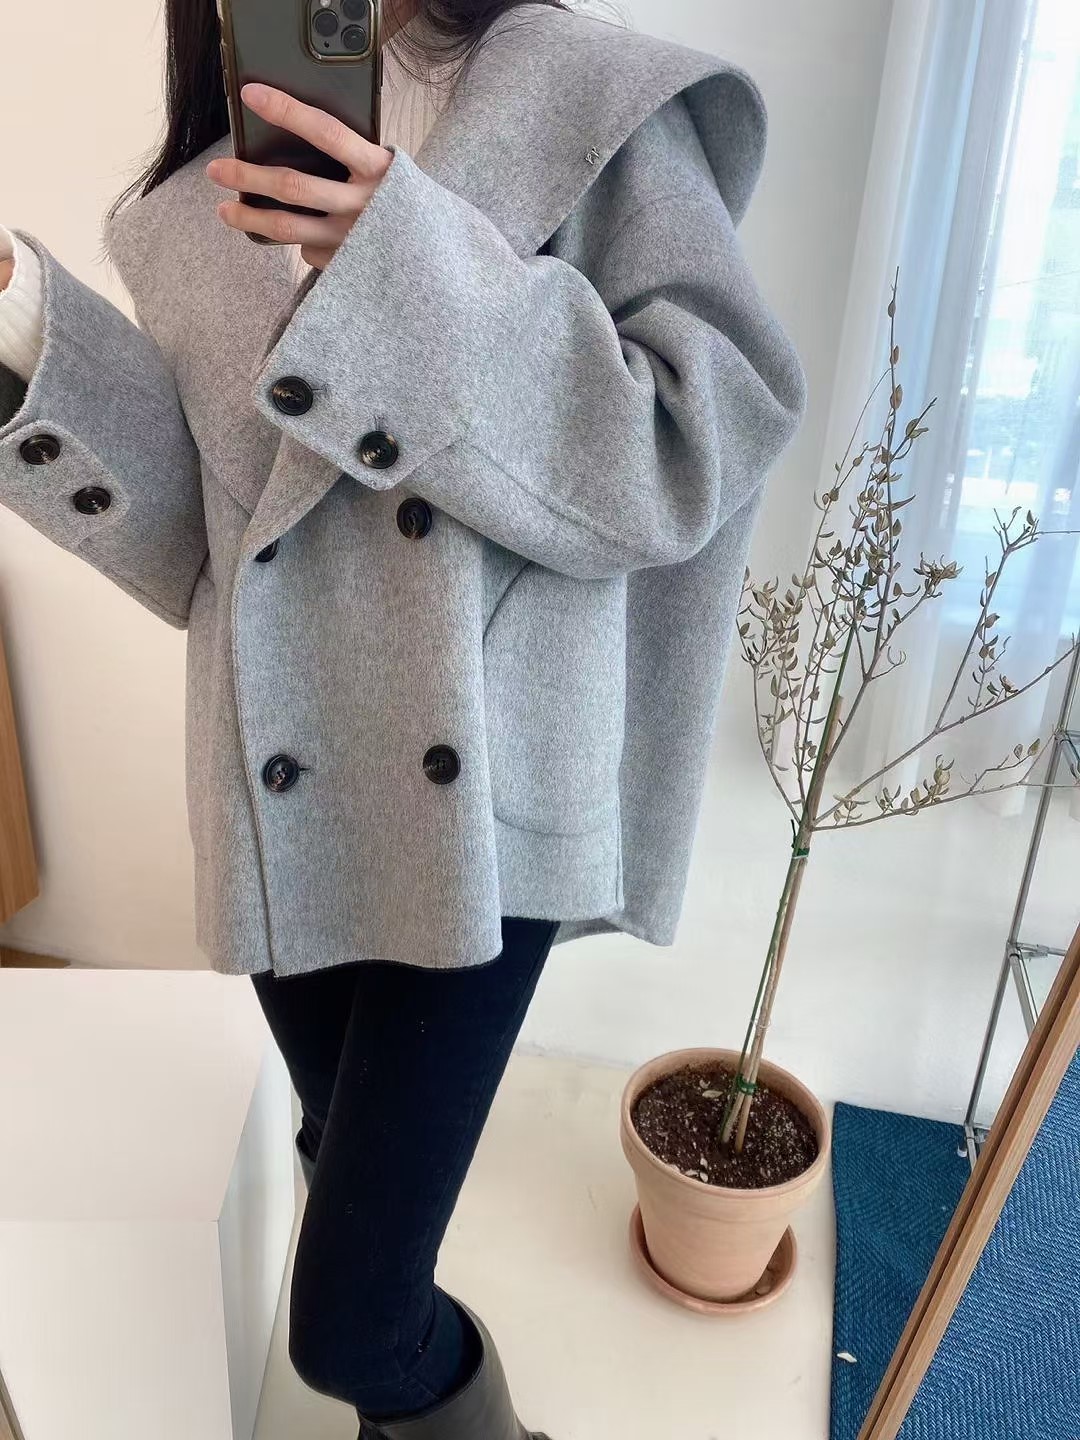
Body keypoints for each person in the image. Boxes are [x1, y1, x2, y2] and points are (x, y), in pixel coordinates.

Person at [0, 0, 807, 1434]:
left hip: (483, 792)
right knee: (341, 1157)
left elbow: (691, 446)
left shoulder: (592, 100)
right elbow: (206, 548)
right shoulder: (199, 195)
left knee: (353, 1320)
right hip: (283, 787)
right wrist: (20, 331)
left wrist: (403, 264)